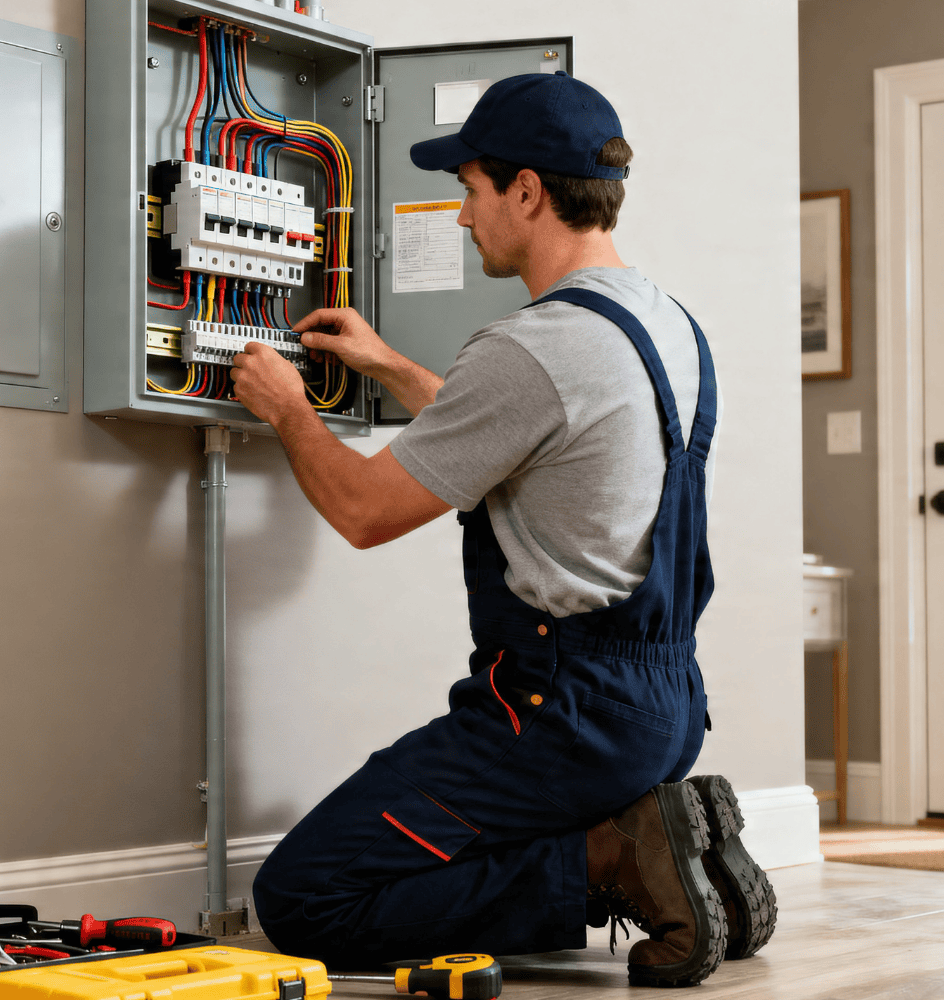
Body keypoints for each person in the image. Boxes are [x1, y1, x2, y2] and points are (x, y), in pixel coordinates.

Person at [228, 73, 774, 988]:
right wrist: (389, 363)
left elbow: (364, 512)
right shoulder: (665, 323)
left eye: (472, 189)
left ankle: (617, 860)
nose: (459, 214)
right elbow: (528, 438)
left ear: (527, 191)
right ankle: (679, 853)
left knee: (302, 896)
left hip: (557, 715)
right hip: (663, 701)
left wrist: (288, 408)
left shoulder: (531, 346)